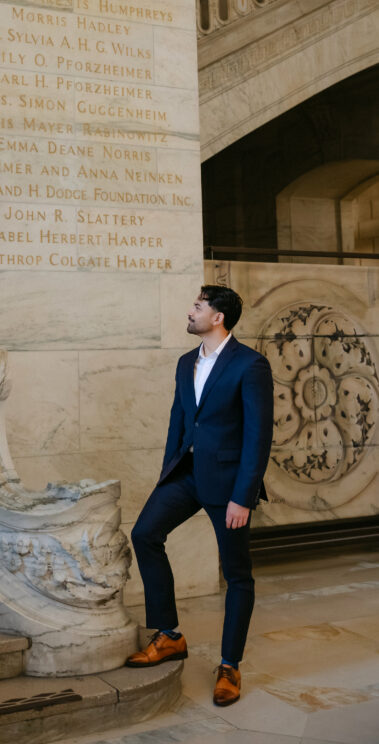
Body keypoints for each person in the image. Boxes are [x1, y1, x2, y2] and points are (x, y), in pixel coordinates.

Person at [127, 285, 273, 706]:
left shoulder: (250, 365)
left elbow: (258, 437)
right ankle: (170, 634)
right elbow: (179, 418)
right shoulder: (185, 362)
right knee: (144, 534)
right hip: (186, 474)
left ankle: (230, 665)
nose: (190, 312)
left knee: (237, 574)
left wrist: (243, 497)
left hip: (229, 486)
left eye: (198, 307)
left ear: (218, 318)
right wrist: (166, 474)